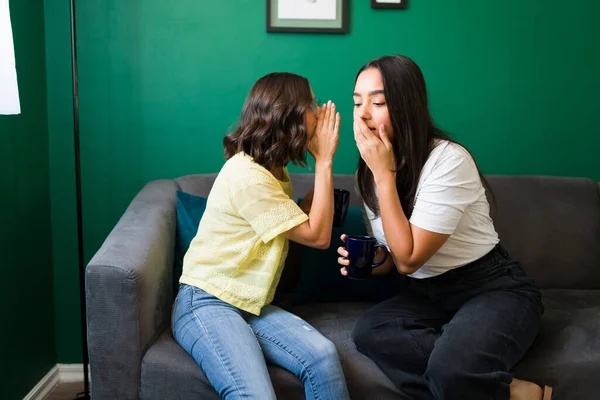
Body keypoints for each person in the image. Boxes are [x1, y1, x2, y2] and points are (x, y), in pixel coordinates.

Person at [337, 55, 551, 400]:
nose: (362, 114)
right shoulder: (371, 174)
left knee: (450, 371)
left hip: (491, 287)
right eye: (357, 102)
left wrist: (383, 174)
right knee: (370, 331)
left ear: (407, 106)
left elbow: (409, 259)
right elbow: (395, 258)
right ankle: (502, 391)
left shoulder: (448, 160)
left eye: (377, 102)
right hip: (425, 293)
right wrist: (376, 260)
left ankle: (468, 378)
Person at [173, 72, 350, 400]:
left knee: (322, 358)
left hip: (250, 304)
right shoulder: (247, 175)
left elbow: (301, 221)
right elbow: (318, 237)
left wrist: (315, 188)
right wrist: (324, 160)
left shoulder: (273, 169)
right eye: (311, 103)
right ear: (289, 114)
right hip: (208, 302)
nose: (319, 110)